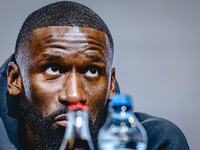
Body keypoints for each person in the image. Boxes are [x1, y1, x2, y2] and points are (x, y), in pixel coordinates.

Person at [0, 1, 190, 150]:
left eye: (92, 71)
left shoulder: (154, 142)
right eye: (54, 69)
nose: (74, 96)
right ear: (14, 80)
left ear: (111, 85)